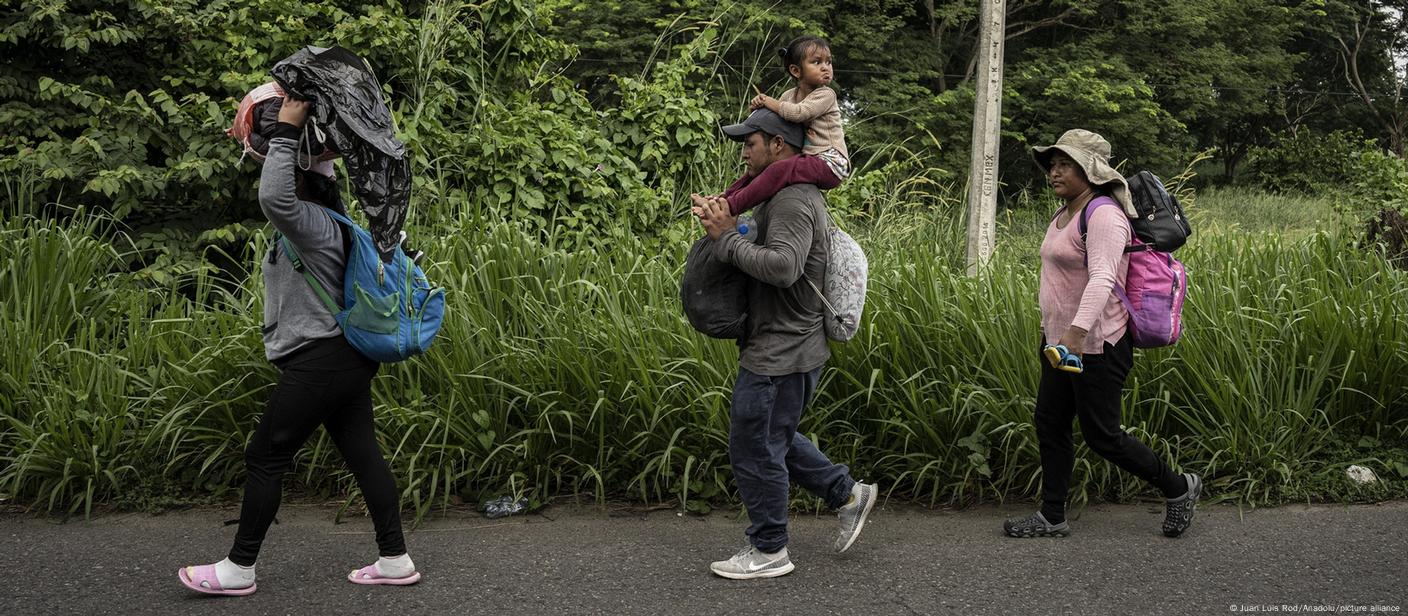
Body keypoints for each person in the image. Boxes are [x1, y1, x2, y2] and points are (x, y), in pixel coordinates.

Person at [178, 96, 420, 595]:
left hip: (322, 360)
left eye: (280, 170)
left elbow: (275, 198)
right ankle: (395, 560)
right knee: (363, 455)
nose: (271, 179)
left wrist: (286, 129)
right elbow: (319, 174)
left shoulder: (308, 222)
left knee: (266, 455)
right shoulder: (332, 218)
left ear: (293, 175)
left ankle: (238, 569)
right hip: (346, 359)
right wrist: (315, 143)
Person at [693, 108, 877, 580]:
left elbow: (783, 267)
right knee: (769, 436)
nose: (744, 150)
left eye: (750, 142)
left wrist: (727, 237)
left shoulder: (793, 199)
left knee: (754, 446)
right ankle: (846, 493)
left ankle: (770, 548)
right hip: (780, 343)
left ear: (778, 145)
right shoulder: (780, 193)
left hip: (782, 349)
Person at [1004, 128, 1201, 539]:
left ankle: (1179, 488)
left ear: (1090, 171)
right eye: (1052, 165)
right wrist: (1051, 333)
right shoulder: (1065, 213)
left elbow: (1103, 279)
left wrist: (1074, 334)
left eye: (1065, 165)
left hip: (1096, 344)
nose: (1054, 173)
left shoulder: (1105, 214)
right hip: (1062, 344)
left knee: (1103, 436)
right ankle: (1052, 515)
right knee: (1050, 423)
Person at [691, 35, 849, 217]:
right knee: (754, 172)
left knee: (778, 169)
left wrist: (767, 100)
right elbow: (776, 118)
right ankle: (720, 200)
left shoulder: (826, 94)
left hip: (830, 163)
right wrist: (757, 107)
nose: (825, 67)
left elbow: (798, 113)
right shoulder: (790, 95)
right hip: (810, 158)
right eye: (816, 62)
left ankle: (729, 209)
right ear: (796, 71)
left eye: (828, 62)